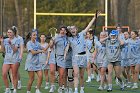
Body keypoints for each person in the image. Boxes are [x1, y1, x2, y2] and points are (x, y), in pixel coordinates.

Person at [67, 11, 101, 93]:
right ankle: (75, 90)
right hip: (75, 57)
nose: (73, 30)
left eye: (74, 28)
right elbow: (63, 33)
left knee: (82, 76)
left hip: (83, 57)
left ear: (76, 29)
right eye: (71, 29)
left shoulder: (82, 34)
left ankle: (82, 88)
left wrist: (94, 17)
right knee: (76, 74)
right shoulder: (69, 38)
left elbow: (89, 25)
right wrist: (67, 28)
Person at [0, 27, 20, 93]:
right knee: (4, 74)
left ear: (13, 33)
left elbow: (15, 50)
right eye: (8, 32)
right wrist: (2, 42)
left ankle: (15, 89)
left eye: (10, 32)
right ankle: (7, 88)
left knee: (14, 75)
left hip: (14, 60)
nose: (9, 33)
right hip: (7, 60)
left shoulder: (17, 40)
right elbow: (2, 50)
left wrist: (11, 44)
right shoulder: (5, 40)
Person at [54, 26, 68, 93]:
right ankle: (60, 87)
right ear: (59, 31)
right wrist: (52, 39)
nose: (62, 31)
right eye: (61, 30)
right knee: (61, 74)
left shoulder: (68, 38)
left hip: (68, 58)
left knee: (66, 75)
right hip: (59, 58)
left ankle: (65, 87)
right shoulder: (56, 38)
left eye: (64, 30)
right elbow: (51, 46)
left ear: (66, 31)